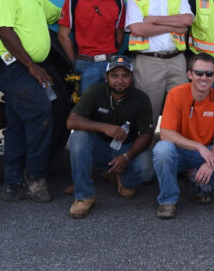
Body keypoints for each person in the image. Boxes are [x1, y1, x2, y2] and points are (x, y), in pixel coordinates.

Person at [0, 0, 62, 202]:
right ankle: (35, 177)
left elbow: (58, 14)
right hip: (14, 67)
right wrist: (32, 66)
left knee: (17, 124)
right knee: (42, 113)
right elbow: (3, 30)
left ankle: (12, 184)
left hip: (25, 68)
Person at [152, 53, 214, 219]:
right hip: (179, 152)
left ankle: (197, 181)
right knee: (162, 149)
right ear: (189, 74)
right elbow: (165, 133)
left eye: (209, 74)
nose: (203, 78)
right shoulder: (175, 94)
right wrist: (199, 146)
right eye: (199, 73)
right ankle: (168, 200)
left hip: (203, 154)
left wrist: (210, 162)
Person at [65, 56, 154, 218]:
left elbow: (147, 135)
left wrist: (127, 157)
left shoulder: (141, 99)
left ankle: (122, 178)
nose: (120, 81)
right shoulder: (95, 91)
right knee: (77, 138)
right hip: (100, 147)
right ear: (106, 78)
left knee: (147, 168)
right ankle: (84, 197)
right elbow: (71, 122)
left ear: (132, 78)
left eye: (125, 76)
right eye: (114, 76)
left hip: (126, 148)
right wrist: (103, 127)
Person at [125, 0, 193, 127]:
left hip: (176, 61)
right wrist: (173, 26)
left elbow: (186, 20)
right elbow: (138, 29)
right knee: (148, 115)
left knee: (182, 113)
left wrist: (154, 20)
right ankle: (144, 153)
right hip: (149, 62)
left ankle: (175, 152)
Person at [58, 0, 125, 95]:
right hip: (85, 65)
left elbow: (119, 34)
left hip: (111, 65)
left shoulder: (117, 1)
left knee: (113, 108)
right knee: (86, 111)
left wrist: (111, 56)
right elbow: (63, 36)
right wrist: (75, 62)